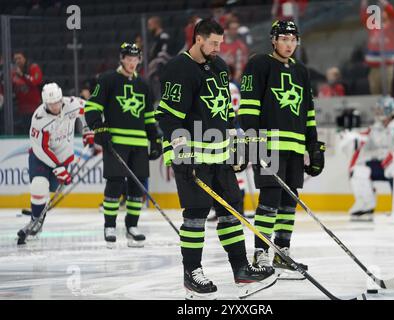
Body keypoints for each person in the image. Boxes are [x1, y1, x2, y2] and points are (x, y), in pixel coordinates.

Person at [155, 19, 276, 300]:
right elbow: (167, 115)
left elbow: (225, 113)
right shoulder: (177, 69)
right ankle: (192, 272)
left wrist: (235, 147)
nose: (218, 48)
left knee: (232, 211)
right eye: (213, 43)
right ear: (198, 39)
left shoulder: (220, 67)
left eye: (220, 43)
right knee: (196, 214)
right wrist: (178, 148)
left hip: (220, 156)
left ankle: (241, 268)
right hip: (192, 158)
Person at [238, 20, 325, 279]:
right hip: (269, 145)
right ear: (273, 40)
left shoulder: (302, 72)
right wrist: (253, 141)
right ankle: (261, 251)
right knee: (269, 201)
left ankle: (282, 251)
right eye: (284, 38)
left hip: (295, 148)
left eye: (293, 39)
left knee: (289, 202)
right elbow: (249, 106)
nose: (289, 44)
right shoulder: (259, 64)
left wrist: (314, 146)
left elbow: (308, 113)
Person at [84, 43, 162, 248]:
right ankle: (109, 226)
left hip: (138, 143)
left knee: (137, 186)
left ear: (139, 60)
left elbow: (148, 117)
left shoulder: (144, 85)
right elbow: (91, 107)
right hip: (116, 143)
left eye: (135, 58)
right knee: (115, 183)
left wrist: (154, 139)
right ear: (121, 58)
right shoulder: (108, 79)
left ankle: (132, 226)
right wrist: (98, 127)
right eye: (128, 58)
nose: (131, 62)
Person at [18, 83, 94, 239]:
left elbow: (90, 109)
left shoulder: (71, 104)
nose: (56, 106)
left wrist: (88, 129)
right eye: (51, 104)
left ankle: (38, 213)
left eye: (58, 102)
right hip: (40, 157)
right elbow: (42, 149)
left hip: (63, 157)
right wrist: (57, 167)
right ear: (45, 103)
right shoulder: (39, 119)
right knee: (39, 185)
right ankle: (35, 221)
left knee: (50, 190)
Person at [360, 0, 394, 95]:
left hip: (388, 67)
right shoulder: (373, 26)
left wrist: (385, 4)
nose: (382, 13)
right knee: (375, 94)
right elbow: (364, 18)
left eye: (384, 11)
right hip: (374, 68)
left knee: (391, 93)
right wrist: (364, 3)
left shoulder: (393, 27)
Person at [11, 51, 43, 134]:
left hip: (34, 108)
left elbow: (35, 81)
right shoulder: (13, 72)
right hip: (21, 109)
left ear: (25, 59)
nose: (17, 61)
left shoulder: (33, 68)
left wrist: (22, 75)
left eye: (19, 58)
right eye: (15, 59)